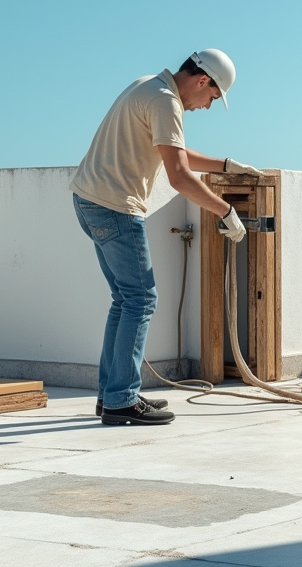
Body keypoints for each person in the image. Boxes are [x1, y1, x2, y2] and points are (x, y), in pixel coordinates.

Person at [70, 49, 261, 425]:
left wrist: (223, 165)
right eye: (213, 98)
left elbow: (174, 150)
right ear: (203, 80)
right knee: (141, 299)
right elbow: (178, 176)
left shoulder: (148, 86)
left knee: (124, 299)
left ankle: (110, 394)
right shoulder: (165, 101)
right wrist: (224, 211)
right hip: (115, 206)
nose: (208, 106)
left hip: (88, 200)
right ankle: (121, 400)